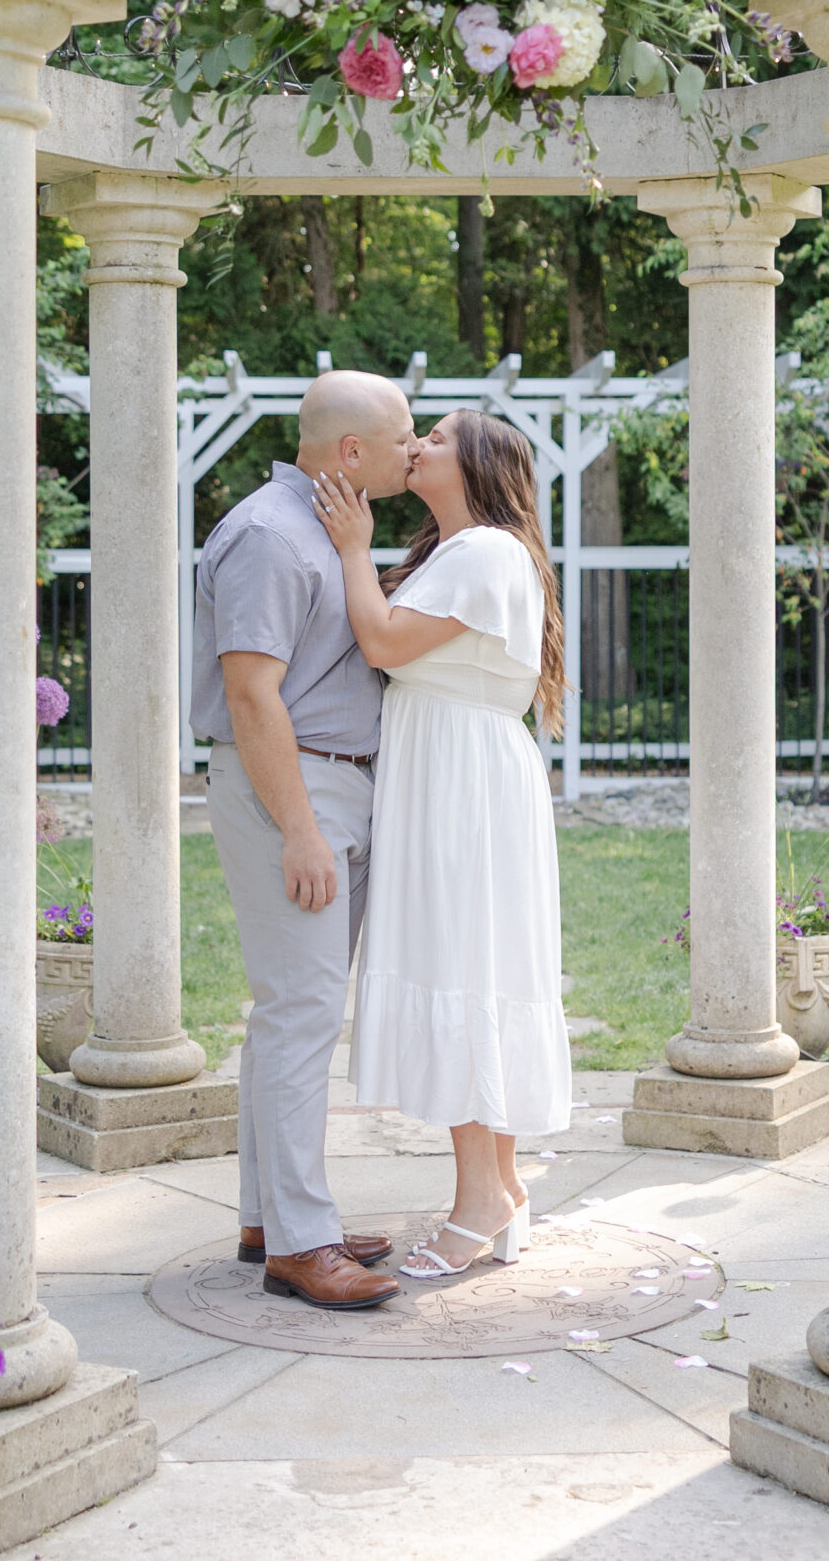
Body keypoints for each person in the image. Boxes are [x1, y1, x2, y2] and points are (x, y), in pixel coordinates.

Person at [312, 409, 573, 1277]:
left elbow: (383, 640)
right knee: (474, 970)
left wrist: (353, 548)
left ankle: (479, 1200)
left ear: (475, 464)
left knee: (466, 971)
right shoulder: (457, 552)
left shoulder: (489, 551)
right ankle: (497, 1185)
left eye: (436, 437)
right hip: (451, 772)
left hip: (465, 783)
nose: (416, 444)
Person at [193, 368, 418, 1309]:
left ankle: (270, 1218)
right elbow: (250, 693)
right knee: (301, 1012)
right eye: (405, 437)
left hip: (341, 781)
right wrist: (300, 830)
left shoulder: (331, 529)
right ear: (353, 451)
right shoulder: (268, 535)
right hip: (296, 789)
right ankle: (299, 1243)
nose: (418, 450)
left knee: (292, 1012)